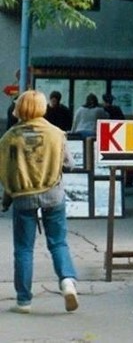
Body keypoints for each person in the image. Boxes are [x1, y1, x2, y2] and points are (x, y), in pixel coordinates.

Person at [0, 89, 79, 314]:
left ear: (20, 108)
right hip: (53, 196)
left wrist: (6, 200)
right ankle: (67, 282)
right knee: (58, 242)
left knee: (23, 249)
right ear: (42, 108)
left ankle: (24, 301)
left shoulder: (9, 138)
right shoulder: (56, 134)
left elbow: (7, 173)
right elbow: (70, 165)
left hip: (23, 199)